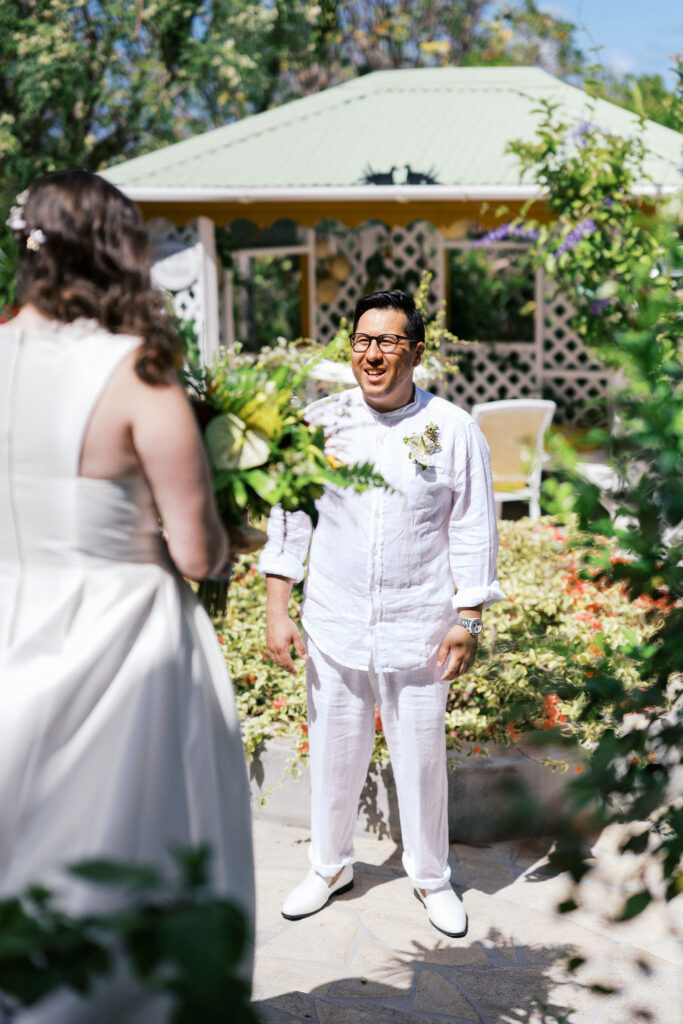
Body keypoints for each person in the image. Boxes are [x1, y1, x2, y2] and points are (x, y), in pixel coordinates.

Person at [0, 171, 254, 1021]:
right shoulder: (139, 375)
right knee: (125, 868)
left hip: (10, 629)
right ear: (116, 250)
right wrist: (235, 527)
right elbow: (195, 550)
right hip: (121, 650)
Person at [261, 289, 504, 938]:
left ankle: (430, 878)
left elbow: (474, 527)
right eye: (363, 342)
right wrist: (277, 609)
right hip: (334, 621)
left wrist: (469, 616)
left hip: (419, 627)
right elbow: (288, 521)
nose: (373, 354)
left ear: (416, 352)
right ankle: (329, 866)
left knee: (421, 760)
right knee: (334, 754)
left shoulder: (452, 429)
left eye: (388, 341)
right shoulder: (319, 423)